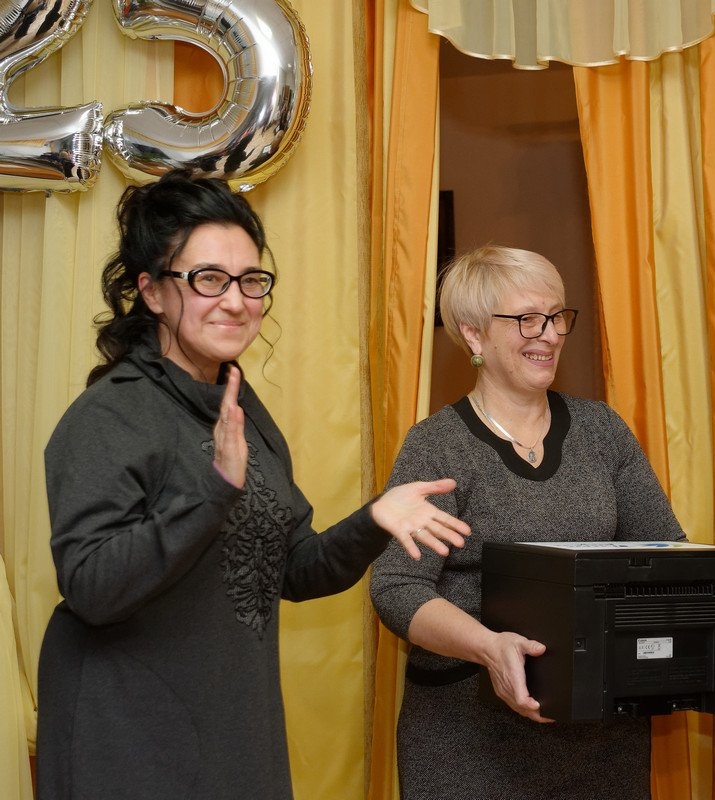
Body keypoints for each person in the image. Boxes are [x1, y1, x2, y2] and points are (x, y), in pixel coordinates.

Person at [36, 170, 471, 800]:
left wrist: (375, 518)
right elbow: (93, 589)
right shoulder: (109, 416)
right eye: (208, 279)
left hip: (234, 731)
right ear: (152, 291)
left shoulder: (239, 406)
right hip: (129, 740)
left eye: (250, 280)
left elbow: (294, 569)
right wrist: (211, 490)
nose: (237, 301)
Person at [370, 245, 686, 799]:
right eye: (526, 319)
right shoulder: (436, 446)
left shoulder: (602, 430)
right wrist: (490, 648)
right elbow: (397, 587)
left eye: (557, 317)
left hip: (601, 735)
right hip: (468, 738)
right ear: (473, 336)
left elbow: (667, 555)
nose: (550, 334)